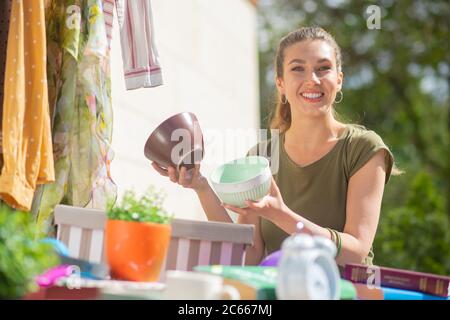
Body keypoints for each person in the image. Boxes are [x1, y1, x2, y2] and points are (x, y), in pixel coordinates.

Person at [151, 26, 397, 268]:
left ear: (339, 80)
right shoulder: (262, 156)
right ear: (280, 83)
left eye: (323, 69)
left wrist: (279, 214)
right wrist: (201, 186)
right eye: (298, 69)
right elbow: (249, 256)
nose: (312, 80)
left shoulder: (363, 148)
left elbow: (356, 251)